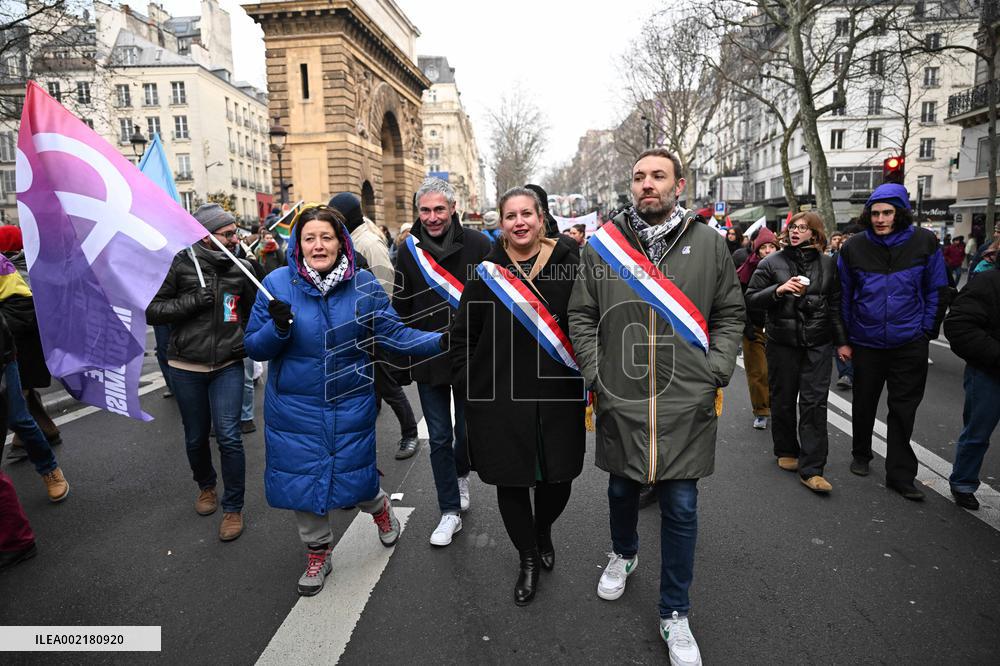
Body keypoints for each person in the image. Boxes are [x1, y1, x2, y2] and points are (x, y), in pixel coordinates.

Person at [568, 148, 744, 663]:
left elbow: (731, 312)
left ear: (679, 185)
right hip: (620, 395)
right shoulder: (602, 248)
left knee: (682, 506)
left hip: (685, 400)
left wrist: (718, 368)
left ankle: (675, 613)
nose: (648, 184)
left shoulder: (710, 244)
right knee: (621, 488)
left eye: (658, 176)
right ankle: (623, 553)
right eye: (640, 176)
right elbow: (581, 314)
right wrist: (596, 373)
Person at [244, 204, 441, 595]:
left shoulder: (364, 285)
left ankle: (381, 510)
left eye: (326, 237)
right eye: (309, 238)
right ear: (298, 245)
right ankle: (318, 551)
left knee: (357, 477)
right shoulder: (278, 284)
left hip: (349, 402)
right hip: (294, 410)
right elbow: (254, 346)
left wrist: (443, 341)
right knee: (303, 485)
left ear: (341, 242)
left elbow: (395, 334)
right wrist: (278, 329)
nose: (318, 245)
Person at [451, 187, 585, 606]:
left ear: (541, 218)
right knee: (511, 481)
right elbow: (463, 337)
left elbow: (589, 322)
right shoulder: (486, 272)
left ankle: (541, 528)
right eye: (511, 216)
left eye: (527, 214)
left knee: (558, 479)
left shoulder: (570, 265)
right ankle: (527, 556)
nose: (520, 222)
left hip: (558, 393)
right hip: (499, 396)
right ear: (501, 224)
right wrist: (469, 385)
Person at [147, 203, 257, 541]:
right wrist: (193, 301)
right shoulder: (180, 264)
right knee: (196, 436)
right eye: (227, 234)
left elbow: (255, 312)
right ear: (207, 236)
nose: (235, 238)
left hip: (227, 365)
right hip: (185, 366)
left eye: (235, 232)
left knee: (229, 436)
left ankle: (233, 507)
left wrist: (247, 341)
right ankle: (206, 486)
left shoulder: (242, 267)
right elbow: (153, 310)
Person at [393, 178, 491, 546]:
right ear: (417, 212)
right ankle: (449, 510)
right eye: (425, 210)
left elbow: (493, 301)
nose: (432, 217)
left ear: (452, 209)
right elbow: (402, 304)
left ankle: (461, 471)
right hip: (429, 354)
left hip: (470, 356)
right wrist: (401, 355)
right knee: (438, 437)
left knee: (466, 432)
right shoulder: (408, 250)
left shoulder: (481, 245)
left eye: (439, 209)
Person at [838, 183, 949, 501]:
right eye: (875, 213)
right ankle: (861, 454)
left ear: (899, 214)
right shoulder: (854, 247)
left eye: (887, 212)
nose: (880, 219)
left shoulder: (924, 242)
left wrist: (925, 331)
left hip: (908, 341)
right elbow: (844, 295)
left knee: (903, 410)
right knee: (864, 402)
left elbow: (936, 289)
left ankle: (900, 475)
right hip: (867, 340)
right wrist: (844, 339)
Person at [746, 212, 848, 493]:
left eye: (802, 228)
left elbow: (836, 305)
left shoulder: (829, 265)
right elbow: (751, 299)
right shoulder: (771, 262)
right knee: (783, 398)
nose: (795, 232)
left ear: (814, 235)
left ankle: (813, 468)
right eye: (792, 227)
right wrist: (778, 291)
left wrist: (842, 342)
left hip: (818, 342)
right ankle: (786, 450)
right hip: (782, 343)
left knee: (815, 403)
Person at [329, 192, 420, 460]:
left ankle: (410, 433)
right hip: (348, 332)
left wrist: (380, 327)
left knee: (387, 385)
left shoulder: (367, 243)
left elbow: (384, 288)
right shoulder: (349, 241)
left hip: (370, 330)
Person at [943, 247, 1000, 511]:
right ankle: (963, 482)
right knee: (978, 431)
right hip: (989, 372)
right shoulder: (989, 282)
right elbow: (959, 325)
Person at [736, 227, 779, 430]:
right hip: (753, 327)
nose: (768, 251)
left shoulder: (785, 267)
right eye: (764, 247)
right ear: (757, 250)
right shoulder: (745, 270)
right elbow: (737, 300)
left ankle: (776, 406)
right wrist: (746, 326)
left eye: (772, 247)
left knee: (776, 372)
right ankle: (761, 411)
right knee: (758, 372)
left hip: (778, 329)